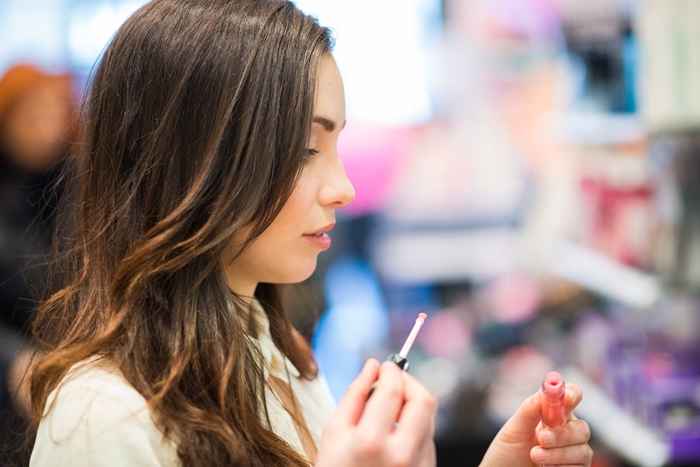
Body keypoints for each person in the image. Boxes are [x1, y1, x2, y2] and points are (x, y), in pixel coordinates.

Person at [28, 1, 593, 466]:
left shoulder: (276, 355)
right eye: (304, 150)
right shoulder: (102, 417)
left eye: (335, 144)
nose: (343, 188)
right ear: (190, 161)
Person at [0, 63, 74, 466]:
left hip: (66, 373)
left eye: (53, 112)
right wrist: (11, 359)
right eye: (32, 114)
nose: (46, 126)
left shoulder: (77, 186)